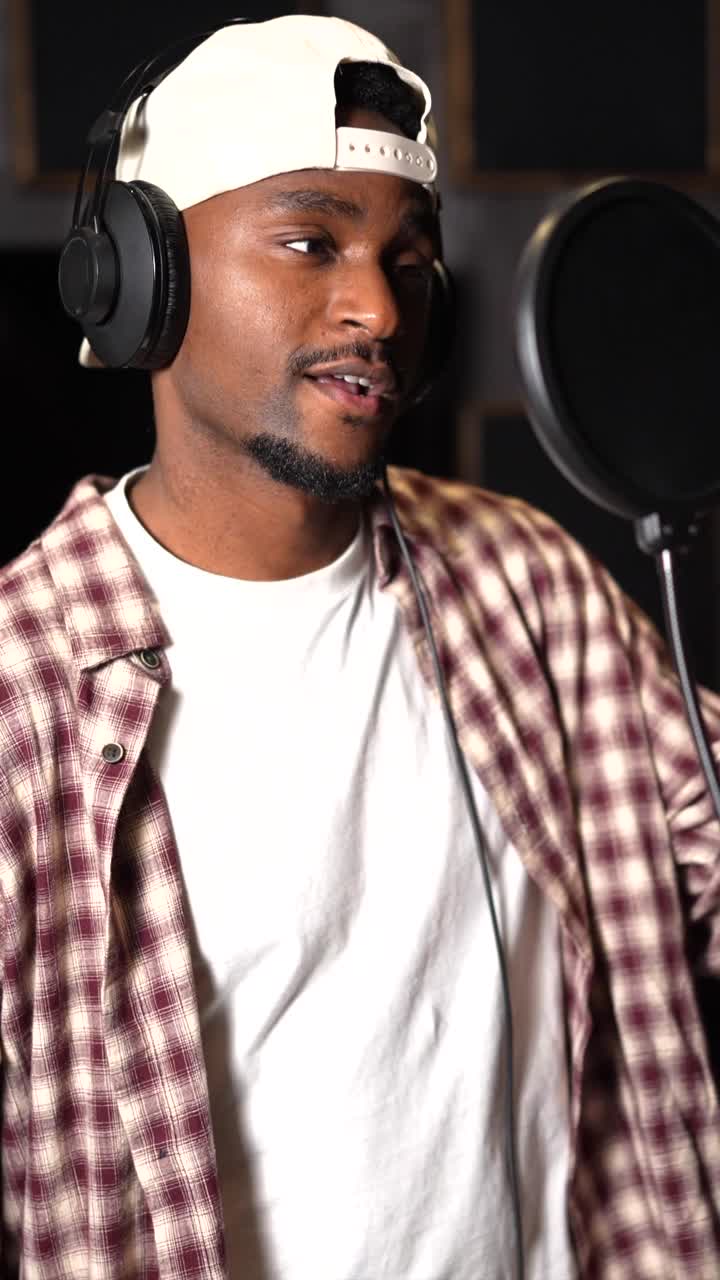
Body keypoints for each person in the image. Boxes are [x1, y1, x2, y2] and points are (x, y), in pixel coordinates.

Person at [1, 13, 719, 1280]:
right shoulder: (24, 692)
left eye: (408, 256)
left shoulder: (528, 584)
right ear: (136, 274)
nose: (377, 306)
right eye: (309, 239)